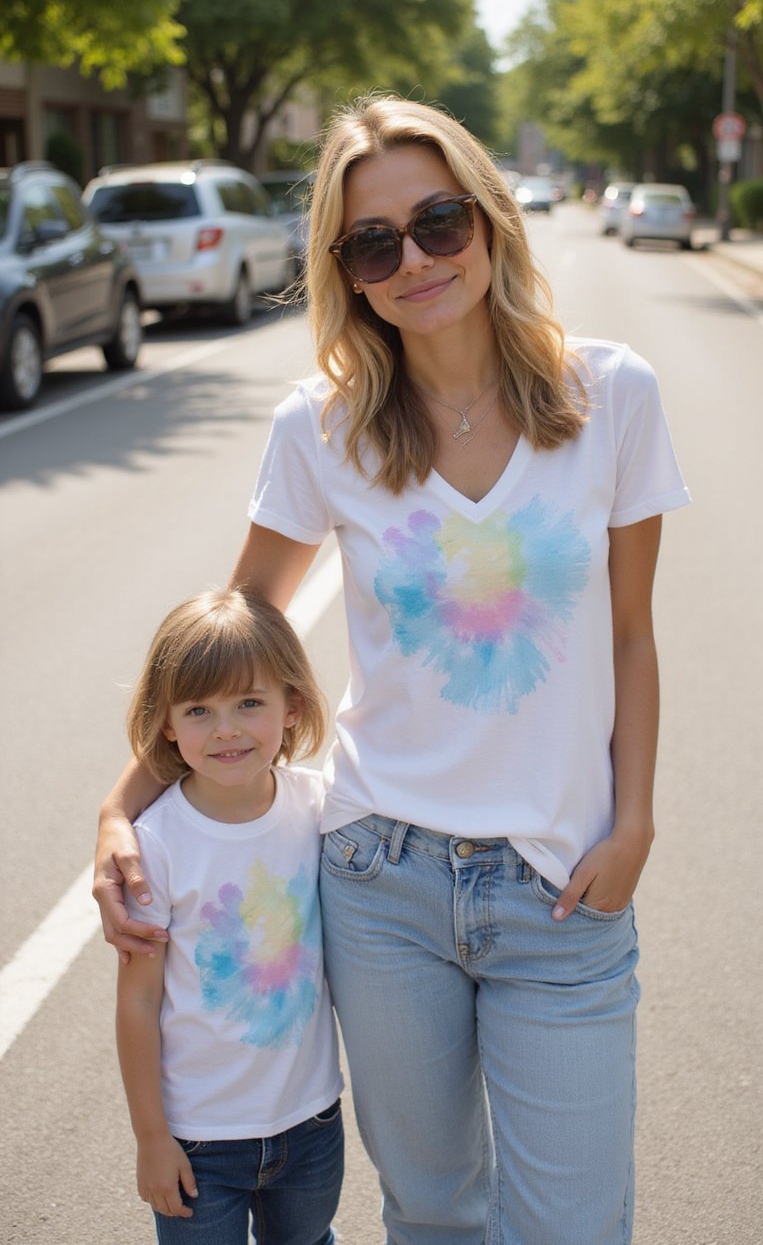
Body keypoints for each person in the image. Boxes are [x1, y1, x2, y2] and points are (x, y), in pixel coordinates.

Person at [95, 94, 690, 1244]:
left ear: (490, 221)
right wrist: (123, 807)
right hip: (380, 883)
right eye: (375, 243)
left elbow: (630, 633)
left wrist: (637, 825)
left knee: (574, 1224)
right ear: (349, 273)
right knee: (429, 1214)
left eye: (438, 222)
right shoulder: (321, 427)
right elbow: (232, 635)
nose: (414, 258)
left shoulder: (612, 394)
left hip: (560, 884)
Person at [114, 588, 344, 1245]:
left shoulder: (318, 806)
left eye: (250, 702)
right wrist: (151, 1138)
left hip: (310, 1122)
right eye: (199, 711)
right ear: (166, 724)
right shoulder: (156, 845)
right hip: (198, 1141)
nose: (227, 729)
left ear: (291, 705)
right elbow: (138, 1003)